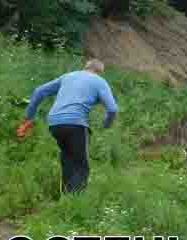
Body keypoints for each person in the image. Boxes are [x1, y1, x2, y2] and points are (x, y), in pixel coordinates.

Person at [16, 59, 118, 195]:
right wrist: (106, 125)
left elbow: (39, 91)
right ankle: (76, 201)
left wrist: (30, 118)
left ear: (85, 68)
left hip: (54, 123)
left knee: (68, 160)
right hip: (75, 123)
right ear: (100, 72)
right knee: (81, 164)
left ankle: (66, 196)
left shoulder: (68, 76)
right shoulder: (99, 81)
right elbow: (112, 109)